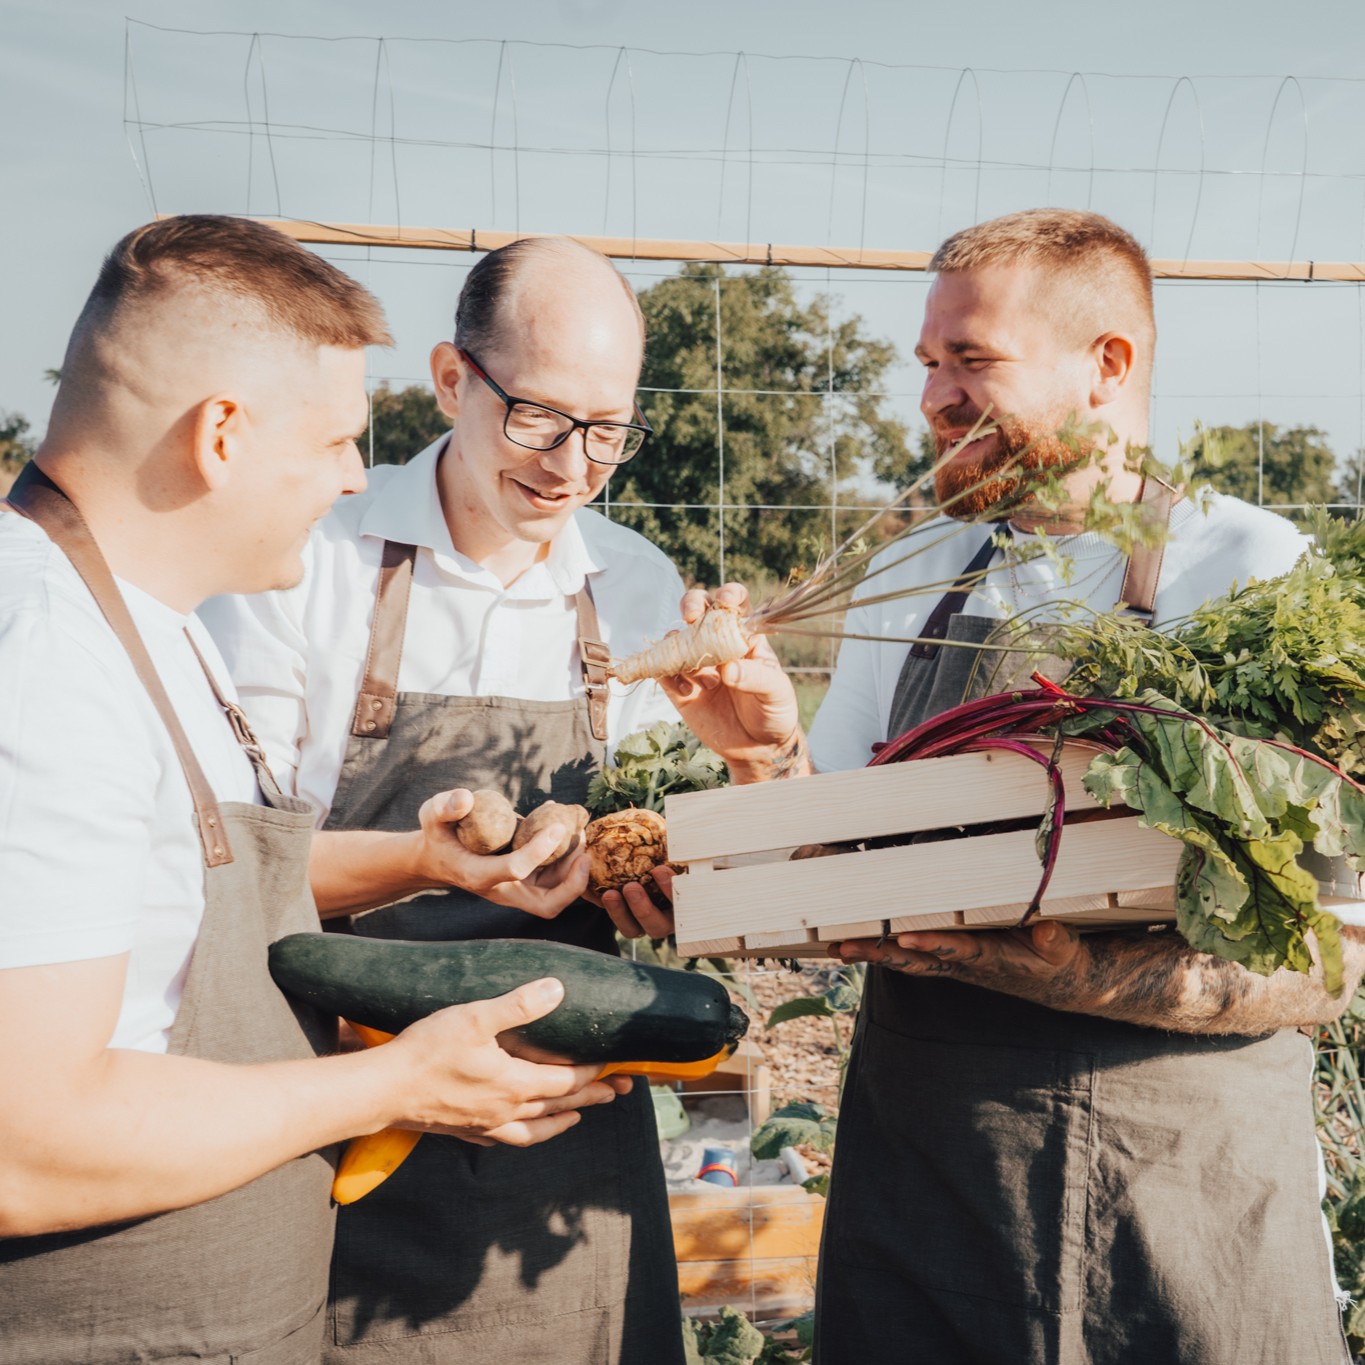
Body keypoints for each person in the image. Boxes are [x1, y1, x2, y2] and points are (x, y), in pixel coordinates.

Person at [665, 209, 1362, 1364]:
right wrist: (762, 760)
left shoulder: (1244, 570)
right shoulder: (915, 569)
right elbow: (827, 873)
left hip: (1179, 1189)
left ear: (1109, 367)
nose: (932, 398)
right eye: (928, 363)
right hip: (927, 1167)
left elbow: (1325, 961)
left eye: (972, 360)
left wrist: (1062, 964)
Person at [0, 215, 625, 1365]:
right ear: (221, 435)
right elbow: (23, 1144)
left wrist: (430, 861)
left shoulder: (152, 626)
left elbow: (205, 909)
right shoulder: (44, 659)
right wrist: (391, 1083)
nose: (353, 476)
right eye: (338, 439)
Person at [202, 236, 687, 1364]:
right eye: (541, 418)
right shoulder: (313, 555)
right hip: (335, 1103)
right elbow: (223, 863)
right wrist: (429, 859)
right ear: (453, 378)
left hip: (572, 1117)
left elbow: (669, 854)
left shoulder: (636, 582)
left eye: (609, 430)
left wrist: (654, 876)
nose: (575, 466)